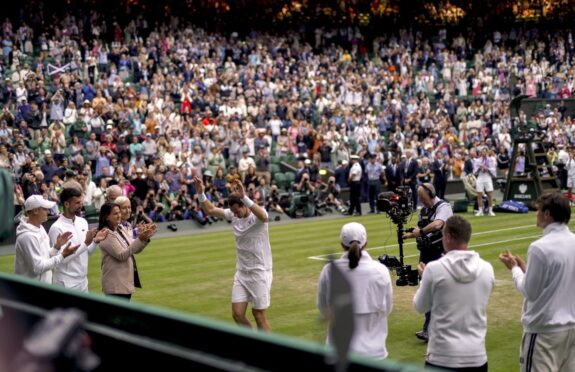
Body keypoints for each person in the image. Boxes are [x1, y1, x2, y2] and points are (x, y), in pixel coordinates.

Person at [499, 192, 575, 372]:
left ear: (547, 214)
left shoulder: (539, 247)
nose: (536, 213)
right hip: (571, 330)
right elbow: (558, 276)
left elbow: (530, 291)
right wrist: (527, 269)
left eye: (539, 210)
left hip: (544, 332)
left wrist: (515, 269)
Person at [414, 215, 494, 371]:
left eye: (443, 235)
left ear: (448, 237)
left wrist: (424, 279)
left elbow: (420, 306)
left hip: (442, 357)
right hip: (476, 357)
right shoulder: (487, 269)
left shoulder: (434, 269)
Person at [194, 176, 272, 331]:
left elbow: (264, 216)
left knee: (258, 314)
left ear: (245, 205)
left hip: (259, 272)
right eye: (233, 212)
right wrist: (201, 193)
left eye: (237, 211)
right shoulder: (233, 214)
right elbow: (210, 210)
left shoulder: (257, 218)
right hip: (242, 273)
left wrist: (244, 196)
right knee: (237, 314)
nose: (234, 215)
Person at [317, 222, 393, 360]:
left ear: (341, 244)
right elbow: (387, 309)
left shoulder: (329, 271)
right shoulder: (381, 270)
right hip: (373, 354)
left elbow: (323, 308)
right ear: (366, 243)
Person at [403, 183, 453, 342]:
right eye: (420, 199)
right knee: (426, 288)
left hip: (440, 253)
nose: (422, 202)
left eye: (424, 198)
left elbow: (438, 224)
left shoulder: (443, 207)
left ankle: (434, 328)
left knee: (438, 289)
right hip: (425, 254)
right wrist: (408, 234)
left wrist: (421, 231)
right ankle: (429, 327)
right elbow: (420, 230)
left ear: (431, 194)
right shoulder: (423, 211)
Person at [48, 188, 108, 291]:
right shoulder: (56, 227)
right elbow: (62, 259)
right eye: (77, 203)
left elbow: (87, 252)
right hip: (65, 283)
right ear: (66, 204)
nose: (81, 205)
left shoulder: (82, 222)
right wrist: (86, 243)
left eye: (81, 202)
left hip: (83, 281)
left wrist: (95, 241)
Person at [98, 202, 157, 300]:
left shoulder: (120, 228)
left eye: (119, 213)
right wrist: (140, 238)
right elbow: (122, 255)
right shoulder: (106, 234)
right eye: (115, 214)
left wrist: (145, 237)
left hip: (124, 281)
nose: (119, 216)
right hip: (115, 284)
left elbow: (133, 249)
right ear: (106, 217)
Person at [14, 195, 79, 283]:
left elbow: (45, 257)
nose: (48, 212)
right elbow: (38, 267)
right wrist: (63, 255)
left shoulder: (40, 227)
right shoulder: (27, 236)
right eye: (45, 209)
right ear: (35, 210)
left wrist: (56, 247)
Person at [473, 146, 496, 216]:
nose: (484, 153)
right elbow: (474, 171)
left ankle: (490, 210)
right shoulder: (477, 160)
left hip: (487, 177)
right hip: (480, 177)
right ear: (481, 152)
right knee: (479, 194)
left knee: (490, 194)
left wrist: (487, 169)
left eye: (485, 151)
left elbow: (493, 169)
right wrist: (480, 168)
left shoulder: (491, 160)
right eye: (482, 151)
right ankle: (480, 211)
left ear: (487, 152)